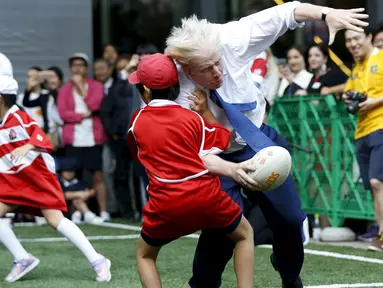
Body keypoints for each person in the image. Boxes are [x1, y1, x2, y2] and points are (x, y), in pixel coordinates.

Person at [165, 2, 368, 287]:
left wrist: (326, 15)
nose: (217, 72)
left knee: (289, 219)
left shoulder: (231, 39)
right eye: (207, 69)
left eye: (217, 62)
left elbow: (287, 12)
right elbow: (198, 155)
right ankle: (202, 283)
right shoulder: (174, 91)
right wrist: (231, 171)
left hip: (258, 141)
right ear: (186, 68)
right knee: (223, 228)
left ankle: (288, 273)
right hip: (216, 155)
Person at [127, 53, 256, 288]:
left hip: (165, 203)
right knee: (245, 235)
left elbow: (137, 153)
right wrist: (205, 111)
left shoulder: (136, 122)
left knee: (145, 255)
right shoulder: (191, 119)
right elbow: (222, 141)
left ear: (144, 89)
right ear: (176, 85)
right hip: (206, 197)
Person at [0, 53, 111, 283]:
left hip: (37, 178)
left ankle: (98, 260)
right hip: (14, 180)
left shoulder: (18, 116)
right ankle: (22, 258)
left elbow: (42, 137)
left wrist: (27, 146)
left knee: (54, 220)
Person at [343, 28, 383, 251]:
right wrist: (348, 97)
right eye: (348, 40)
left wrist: (375, 102)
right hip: (362, 131)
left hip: (380, 126)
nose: (352, 43)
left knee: (378, 182)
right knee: (374, 186)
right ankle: (380, 233)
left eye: (356, 38)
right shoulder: (355, 69)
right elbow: (349, 94)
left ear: (368, 37)